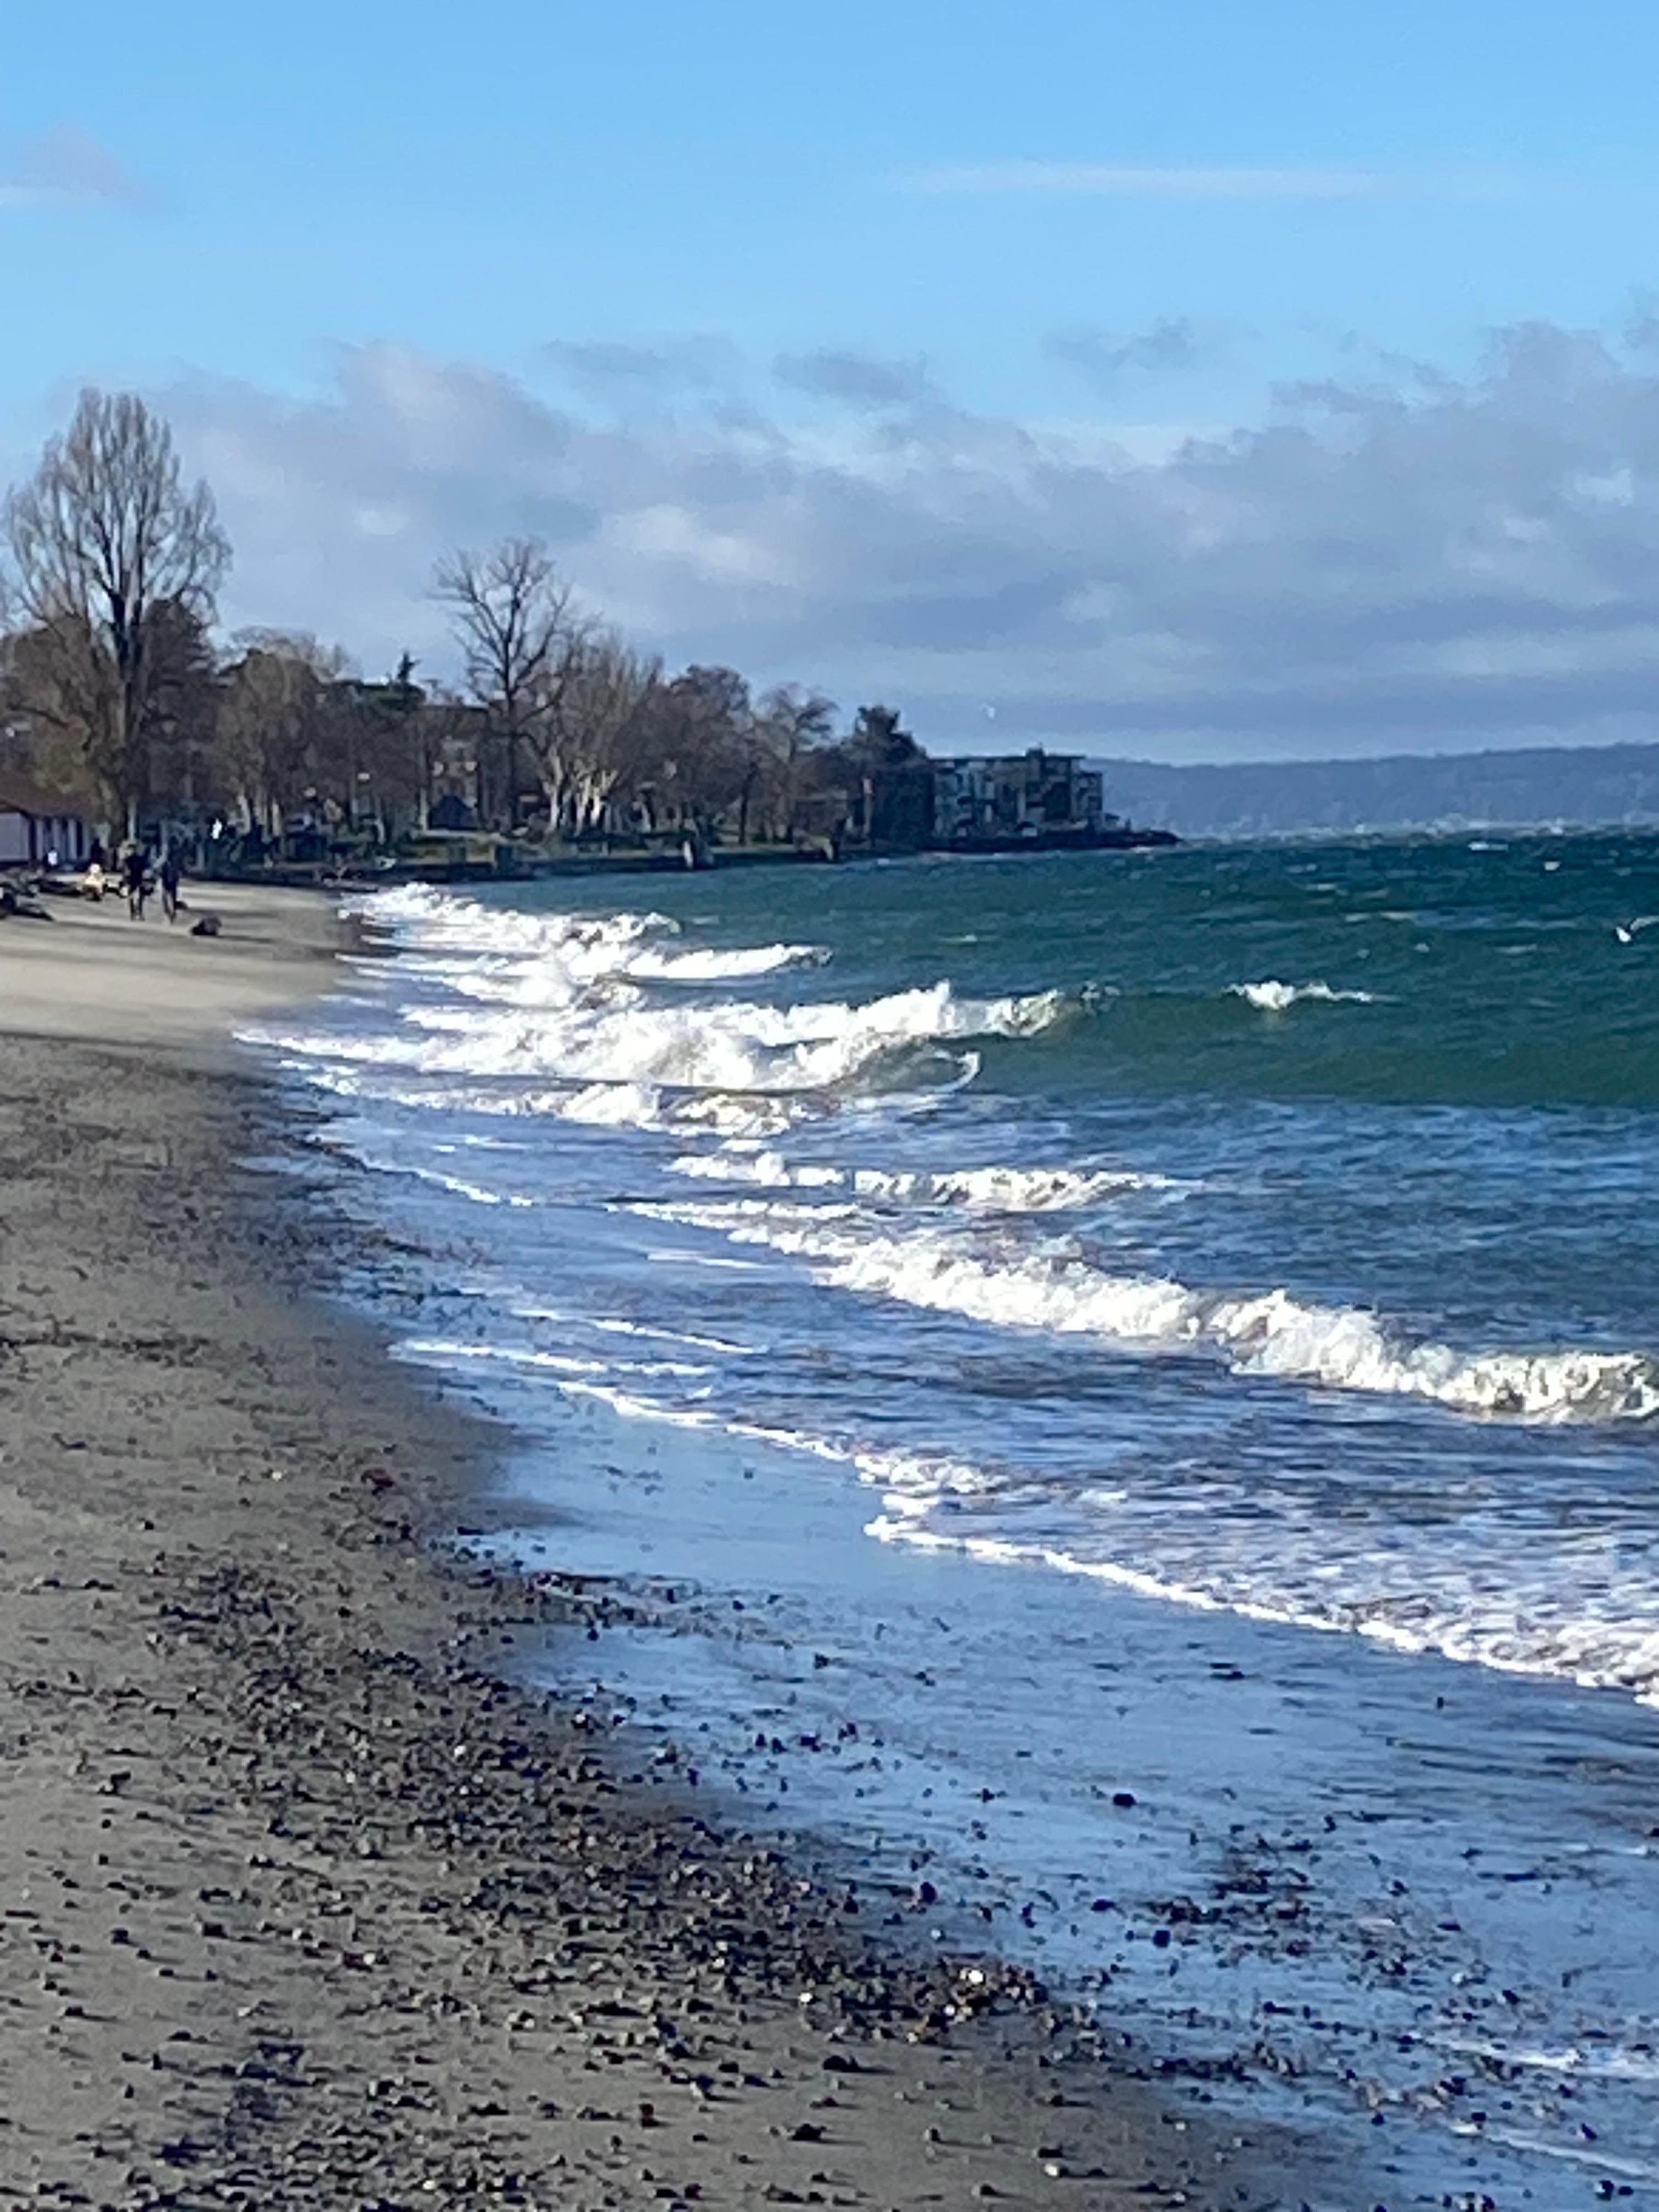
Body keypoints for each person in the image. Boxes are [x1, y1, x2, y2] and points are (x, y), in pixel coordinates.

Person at [123, 844, 149, 919]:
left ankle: (134, 913)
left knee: (133, 897)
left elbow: (126, 870)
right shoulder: (140, 859)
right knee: (140, 897)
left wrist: (125, 879)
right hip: (138, 879)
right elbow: (145, 869)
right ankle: (139, 913)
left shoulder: (129, 859)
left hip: (133, 880)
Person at [159, 844, 183, 923]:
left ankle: (171, 914)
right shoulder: (167, 862)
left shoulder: (170, 862)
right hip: (168, 882)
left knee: (169, 900)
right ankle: (170, 914)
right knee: (168, 900)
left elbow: (176, 873)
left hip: (170, 882)